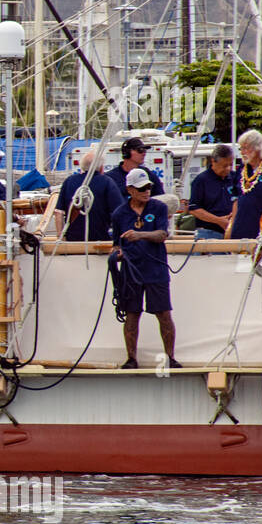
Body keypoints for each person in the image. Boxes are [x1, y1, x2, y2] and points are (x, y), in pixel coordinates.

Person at [109, 168, 179, 370]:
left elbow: (161, 234)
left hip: (156, 269)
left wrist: (140, 235)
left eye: (148, 187)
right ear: (130, 189)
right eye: (141, 189)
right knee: (131, 314)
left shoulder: (158, 207)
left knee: (164, 313)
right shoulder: (119, 214)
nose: (146, 191)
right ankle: (131, 358)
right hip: (131, 272)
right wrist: (117, 254)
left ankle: (170, 357)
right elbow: (116, 244)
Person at [56, 150, 115, 243]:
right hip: (100, 239)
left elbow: (59, 212)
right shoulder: (107, 182)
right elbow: (118, 211)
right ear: (101, 168)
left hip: (73, 241)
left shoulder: (69, 181)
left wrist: (60, 235)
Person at [186, 143, 238, 240]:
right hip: (208, 233)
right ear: (213, 161)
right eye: (224, 165)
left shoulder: (236, 178)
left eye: (230, 165)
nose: (228, 169)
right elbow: (194, 209)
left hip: (233, 231)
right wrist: (219, 221)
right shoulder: (201, 181)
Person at [105, 136, 165, 202]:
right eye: (140, 150)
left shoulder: (149, 175)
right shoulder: (111, 178)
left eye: (144, 150)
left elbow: (161, 199)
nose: (144, 154)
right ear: (127, 153)